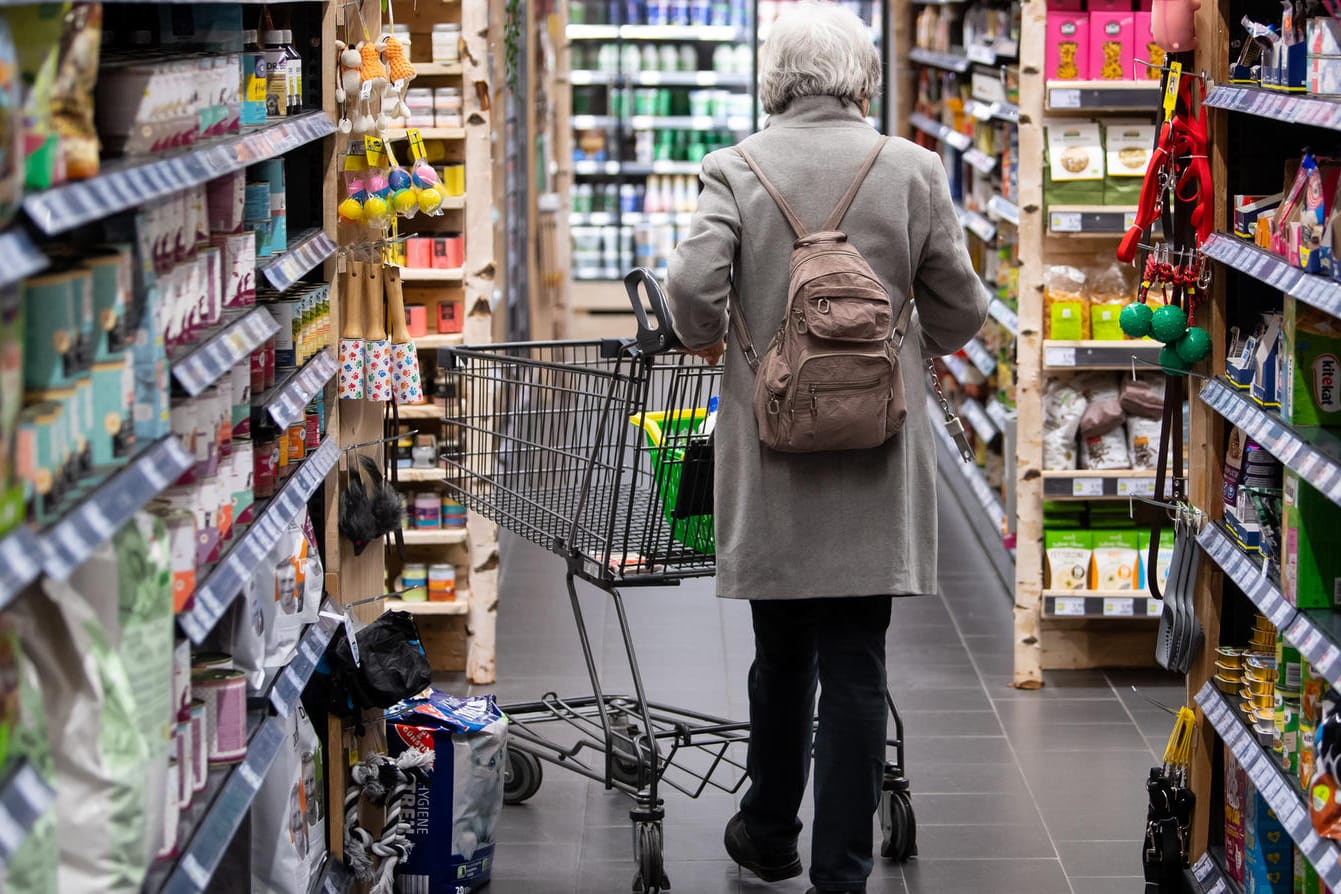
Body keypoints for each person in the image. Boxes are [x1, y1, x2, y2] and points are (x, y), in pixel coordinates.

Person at [664, 3, 989, 892]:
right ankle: (837, 870)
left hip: (771, 452)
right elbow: (960, 312)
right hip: (877, 451)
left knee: (781, 651)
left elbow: (691, 290)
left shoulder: (733, 168)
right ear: (862, 76)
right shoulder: (913, 169)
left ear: (773, 79)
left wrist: (716, 335)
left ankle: (767, 832)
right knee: (857, 656)